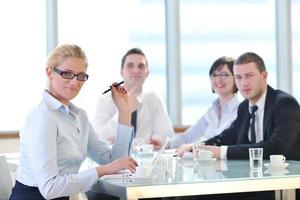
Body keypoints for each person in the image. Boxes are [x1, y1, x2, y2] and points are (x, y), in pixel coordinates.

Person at [10, 44, 137, 200]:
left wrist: (124, 111)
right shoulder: (42, 117)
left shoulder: (79, 116)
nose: (75, 82)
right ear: (49, 72)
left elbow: (116, 163)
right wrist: (103, 170)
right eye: (67, 74)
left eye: (81, 75)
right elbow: (49, 188)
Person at [176, 52, 300, 199]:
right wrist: (198, 146)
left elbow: (277, 147)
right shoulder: (244, 107)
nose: (244, 83)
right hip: (251, 182)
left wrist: (221, 152)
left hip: (281, 185)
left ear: (264, 75)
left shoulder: (284, 103)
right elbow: (228, 136)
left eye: (249, 76)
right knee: (186, 195)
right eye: (239, 77)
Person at [150, 56, 240, 151]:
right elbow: (189, 136)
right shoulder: (212, 110)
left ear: (236, 78)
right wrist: (165, 144)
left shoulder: (241, 110)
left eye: (224, 74)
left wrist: (194, 147)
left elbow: (224, 141)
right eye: (214, 75)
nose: (218, 79)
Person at [93, 48, 174, 146]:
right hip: (115, 160)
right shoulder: (105, 100)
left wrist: (131, 143)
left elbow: (167, 135)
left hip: (146, 159)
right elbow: (99, 138)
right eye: (130, 66)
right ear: (121, 72)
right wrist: (126, 110)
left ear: (147, 73)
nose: (136, 70)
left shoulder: (153, 98)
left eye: (141, 66)